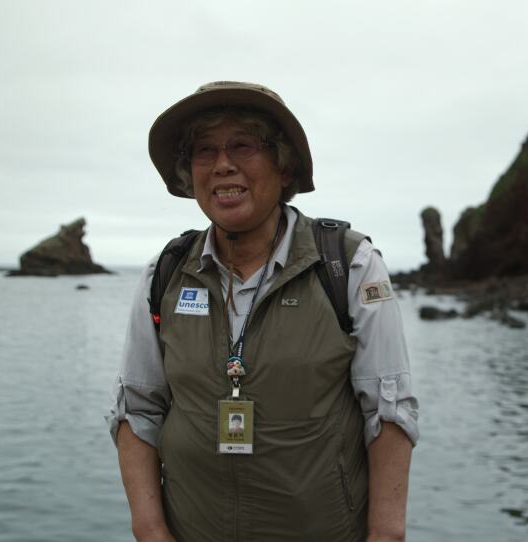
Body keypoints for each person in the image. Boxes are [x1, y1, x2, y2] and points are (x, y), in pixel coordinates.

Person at [106, 81, 419, 541]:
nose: (222, 164)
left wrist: (386, 534)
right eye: (204, 150)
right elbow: (137, 408)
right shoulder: (166, 272)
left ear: (284, 164)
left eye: (243, 145)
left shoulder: (349, 264)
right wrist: (150, 530)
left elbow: (388, 410)